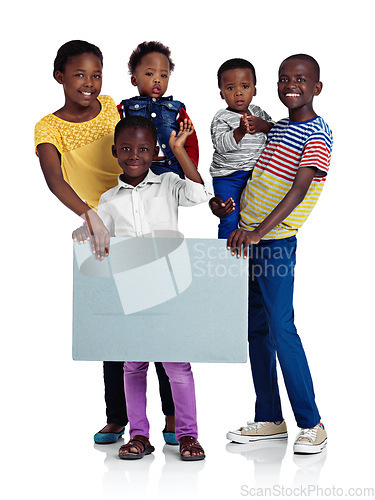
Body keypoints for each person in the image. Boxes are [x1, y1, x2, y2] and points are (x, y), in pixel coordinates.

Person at [34, 40, 176, 446]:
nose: (89, 84)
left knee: (162, 322)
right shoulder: (49, 127)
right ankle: (118, 416)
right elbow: (54, 179)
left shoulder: (113, 104)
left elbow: (144, 141)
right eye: (79, 75)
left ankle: (170, 414)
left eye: (96, 74)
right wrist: (89, 214)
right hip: (103, 229)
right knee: (116, 327)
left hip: (143, 219)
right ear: (60, 76)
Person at [74, 115, 208, 460]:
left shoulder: (167, 184)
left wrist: (179, 151)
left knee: (177, 364)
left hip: (170, 285)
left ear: (155, 152)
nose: (135, 155)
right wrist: (85, 232)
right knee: (133, 364)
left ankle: (188, 435)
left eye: (144, 149)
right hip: (131, 289)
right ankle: (139, 435)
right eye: (128, 148)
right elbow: (102, 241)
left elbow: (198, 193)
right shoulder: (109, 199)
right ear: (115, 150)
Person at [226, 54, 333, 454]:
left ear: (316, 88)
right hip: (248, 240)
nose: (292, 85)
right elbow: (277, 137)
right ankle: (269, 418)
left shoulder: (318, 135)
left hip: (273, 244)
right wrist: (266, 125)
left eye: (301, 79)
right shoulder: (285, 127)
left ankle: (313, 423)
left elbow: (298, 190)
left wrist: (257, 233)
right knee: (256, 329)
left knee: (282, 328)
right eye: (284, 79)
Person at [209, 58, 274, 239]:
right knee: (229, 216)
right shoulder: (222, 117)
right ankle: (226, 258)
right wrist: (239, 131)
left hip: (255, 175)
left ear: (254, 90)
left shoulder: (258, 112)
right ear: (222, 93)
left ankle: (253, 250)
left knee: (256, 217)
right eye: (230, 88)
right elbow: (221, 145)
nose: (238, 93)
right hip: (228, 177)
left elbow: (277, 133)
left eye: (244, 87)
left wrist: (264, 126)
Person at [117, 41, 199, 179]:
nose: (157, 80)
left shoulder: (176, 109)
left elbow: (191, 140)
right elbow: (111, 135)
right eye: (150, 74)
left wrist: (190, 166)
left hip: (172, 170)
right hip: (136, 171)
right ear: (134, 80)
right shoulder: (125, 109)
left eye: (163, 75)